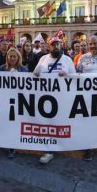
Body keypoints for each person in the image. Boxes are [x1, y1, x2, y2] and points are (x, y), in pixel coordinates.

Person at [33, 36, 76, 164]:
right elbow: (34, 75)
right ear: (48, 46)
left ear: (61, 45)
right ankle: (49, 150)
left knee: (61, 122)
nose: (56, 47)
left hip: (62, 98)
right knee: (48, 123)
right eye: (53, 45)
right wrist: (36, 73)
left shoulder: (67, 60)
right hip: (46, 98)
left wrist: (67, 75)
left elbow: (75, 78)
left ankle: (63, 143)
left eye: (58, 44)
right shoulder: (43, 59)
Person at [0, 48, 28, 159]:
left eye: (14, 56)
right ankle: (9, 144)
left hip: (19, 100)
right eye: (10, 56)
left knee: (16, 124)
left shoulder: (24, 69)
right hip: (5, 100)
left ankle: (13, 145)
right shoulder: (2, 68)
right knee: (8, 123)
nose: (12, 58)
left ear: (18, 57)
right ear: (7, 57)